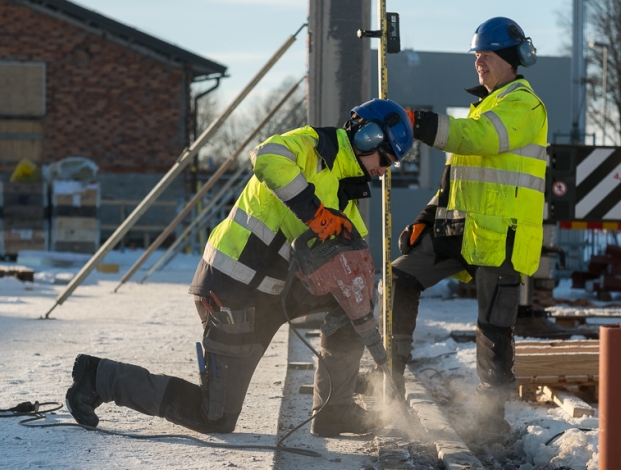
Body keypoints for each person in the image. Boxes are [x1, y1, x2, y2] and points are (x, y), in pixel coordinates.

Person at [65, 98, 414, 438]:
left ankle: (334, 411)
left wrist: (367, 322)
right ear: (368, 137)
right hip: (231, 289)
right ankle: (99, 377)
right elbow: (266, 156)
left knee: (354, 300)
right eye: (385, 159)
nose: (383, 171)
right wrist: (314, 213)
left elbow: (356, 266)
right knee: (214, 416)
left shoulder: (345, 192)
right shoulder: (312, 146)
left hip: (272, 293)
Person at [389, 17, 547, 437]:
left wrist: (420, 123)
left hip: (503, 236)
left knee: (493, 328)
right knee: (401, 275)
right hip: (461, 229)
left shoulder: (523, 105)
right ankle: (391, 380)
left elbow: (478, 139)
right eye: (476, 55)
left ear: (511, 60)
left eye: (487, 55)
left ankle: (491, 422)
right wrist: (425, 218)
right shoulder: (484, 106)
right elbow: (453, 179)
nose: (479, 62)